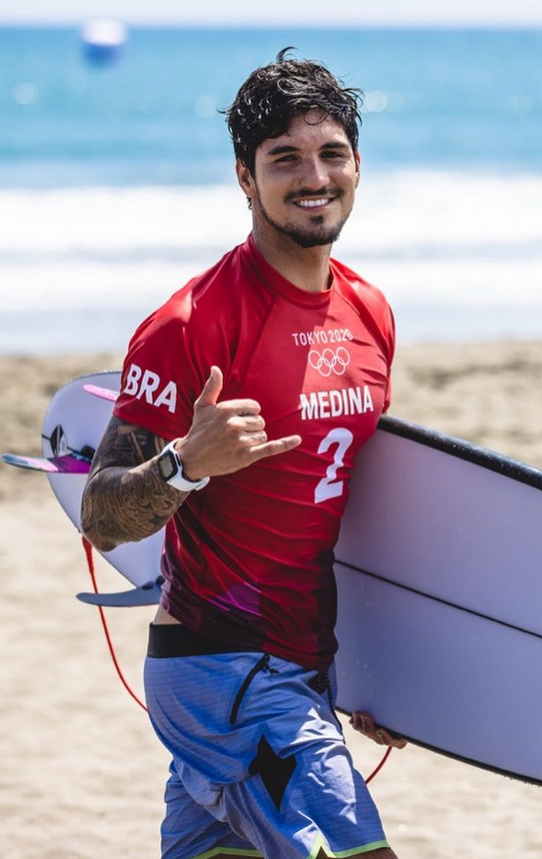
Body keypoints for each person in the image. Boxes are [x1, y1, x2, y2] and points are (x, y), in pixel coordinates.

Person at [81, 48, 404, 859]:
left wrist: (371, 671)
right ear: (244, 176)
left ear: (358, 165)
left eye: (331, 153)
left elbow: (344, 509)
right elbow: (102, 514)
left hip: (305, 663)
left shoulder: (369, 313)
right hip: (222, 664)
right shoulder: (192, 324)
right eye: (284, 158)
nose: (313, 176)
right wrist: (185, 464)